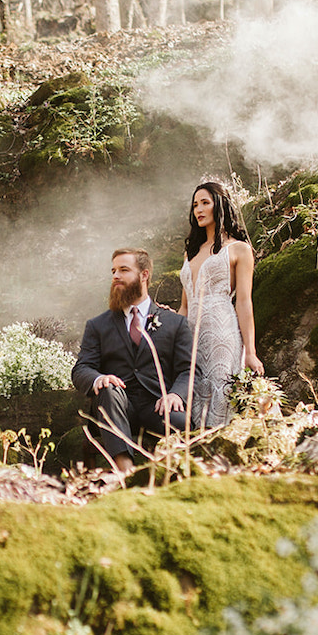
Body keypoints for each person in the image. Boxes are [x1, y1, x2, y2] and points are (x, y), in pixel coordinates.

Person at [73, 248, 193, 475]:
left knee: (184, 424)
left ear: (144, 275)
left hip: (157, 405)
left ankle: (173, 479)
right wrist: (99, 378)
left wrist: (176, 394)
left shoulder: (175, 323)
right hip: (117, 405)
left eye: (123, 270)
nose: (115, 276)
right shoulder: (98, 325)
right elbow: (81, 369)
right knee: (108, 390)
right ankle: (125, 474)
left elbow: (189, 369)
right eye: (113, 271)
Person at [178, 181, 264, 428]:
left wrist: (250, 350)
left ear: (220, 205)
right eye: (195, 205)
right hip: (191, 335)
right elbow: (185, 307)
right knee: (193, 395)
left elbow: (244, 302)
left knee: (222, 392)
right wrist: (173, 339)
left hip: (221, 332)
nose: (198, 210)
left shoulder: (239, 249)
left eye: (205, 202)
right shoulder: (190, 253)